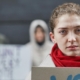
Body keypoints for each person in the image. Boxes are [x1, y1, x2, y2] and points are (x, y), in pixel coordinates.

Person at [26, 2, 80, 80]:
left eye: (78, 30)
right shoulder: (37, 76)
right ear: (53, 37)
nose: (72, 39)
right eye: (63, 32)